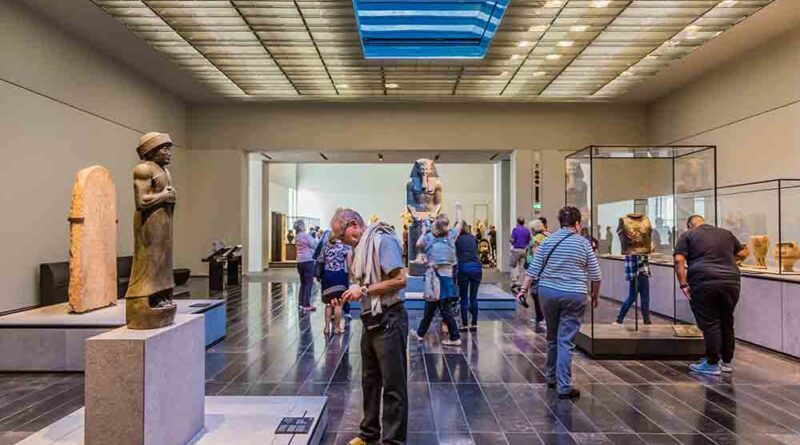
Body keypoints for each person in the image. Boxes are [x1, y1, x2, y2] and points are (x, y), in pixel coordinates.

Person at [338, 209, 408, 445]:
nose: (341, 241)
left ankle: (393, 441)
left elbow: (400, 279)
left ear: (353, 225)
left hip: (389, 318)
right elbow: (364, 281)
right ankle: (369, 432)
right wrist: (350, 293)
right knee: (369, 380)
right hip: (371, 319)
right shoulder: (360, 249)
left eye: (341, 235)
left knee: (393, 385)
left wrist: (365, 290)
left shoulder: (382, 240)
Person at [517, 206, 601, 399]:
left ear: (560, 222)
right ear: (578, 223)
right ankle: (564, 385)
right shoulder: (583, 244)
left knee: (552, 336)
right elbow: (596, 275)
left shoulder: (549, 240)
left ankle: (551, 376)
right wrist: (595, 296)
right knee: (566, 340)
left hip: (548, 293)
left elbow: (533, 269)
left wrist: (523, 289)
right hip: (575, 294)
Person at [674, 215, 748, 376]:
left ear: (689, 225)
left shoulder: (688, 235)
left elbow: (679, 260)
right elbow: (743, 252)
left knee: (710, 323)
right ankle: (726, 362)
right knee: (727, 320)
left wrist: (683, 284)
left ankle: (712, 363)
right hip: (731, 281)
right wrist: (727, 260)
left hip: (704, 281)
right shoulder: (725, 233)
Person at [410, 205, 464, 346]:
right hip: (446, 277)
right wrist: (458, 210)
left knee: (444, 309)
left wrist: (424, 231)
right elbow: (459, 225)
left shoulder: (429, 238)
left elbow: (418, 244)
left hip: (434, 277)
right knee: (431, 307)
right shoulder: (451, 236)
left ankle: (455, 336)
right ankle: (421, 333)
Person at [319, 230, 352, 334]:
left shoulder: (325, 246)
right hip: (339, 276)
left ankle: (326, 328)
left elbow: (321, 260)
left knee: (329, 303)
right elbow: (349, 264)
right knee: (338, 303)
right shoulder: (344, 246)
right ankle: (337, 327)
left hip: (327, 276)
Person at [456, 221, 482, 331]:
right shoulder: (472, 238)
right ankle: (474, 323)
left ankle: (465, 324)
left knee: (464, 298)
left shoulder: (457, 239)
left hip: (463, 268)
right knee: (474, 297)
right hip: (476, 267)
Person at [523, 219, 548, 328]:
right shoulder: (546, 236)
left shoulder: (537, 239)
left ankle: (541, 317)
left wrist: (533, 271)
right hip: (543, 270)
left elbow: (536, 256)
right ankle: (540, 316)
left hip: (537, 271)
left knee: (535, 293)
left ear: (533, 230)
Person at [614, 254, 652, 325]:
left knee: (632, 297)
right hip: (641, 273)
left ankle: (620, 319)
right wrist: (648, 252)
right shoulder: (638, 246)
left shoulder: (629, 247)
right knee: (644, 299)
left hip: (633, 275)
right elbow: (641, 260)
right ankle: (646, 321)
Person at [294, 220, 319, 312]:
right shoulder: (305, 235)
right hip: (308, 261)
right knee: (309, 283)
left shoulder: (297, 236)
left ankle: (301, 303)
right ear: (301, 226)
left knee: (303, 283)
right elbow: (314, 246)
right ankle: (306, 304)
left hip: (299, 262)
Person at [509, 217, 531, 291]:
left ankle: (515, 281)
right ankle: (522, 282)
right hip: (524, 250)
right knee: (522, 268)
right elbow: (529, 240)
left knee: (513, 266)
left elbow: (512, 240)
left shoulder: (515, 230)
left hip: (516, 250)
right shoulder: (527, 230)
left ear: (517, 222)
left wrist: (512, 241)